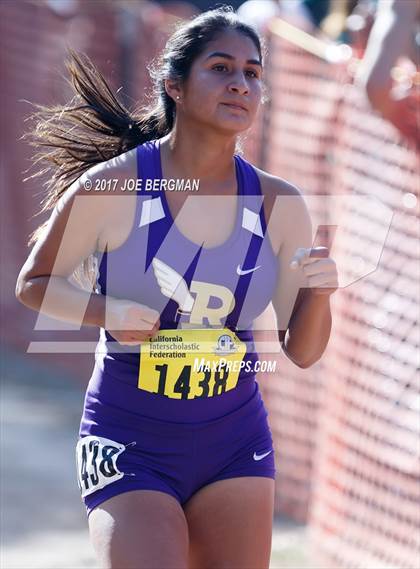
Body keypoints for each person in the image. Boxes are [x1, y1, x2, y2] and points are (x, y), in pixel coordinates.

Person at [15, 7, 338, 568]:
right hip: (129, 440)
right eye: (220, 68)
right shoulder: (116, 185)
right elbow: (34, 283)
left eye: (253, 73)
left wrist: (320, 293)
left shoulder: (277, 203)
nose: (240, 83)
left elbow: (303, 351)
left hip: (234, 440)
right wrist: (106, 309)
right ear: (175, 86)